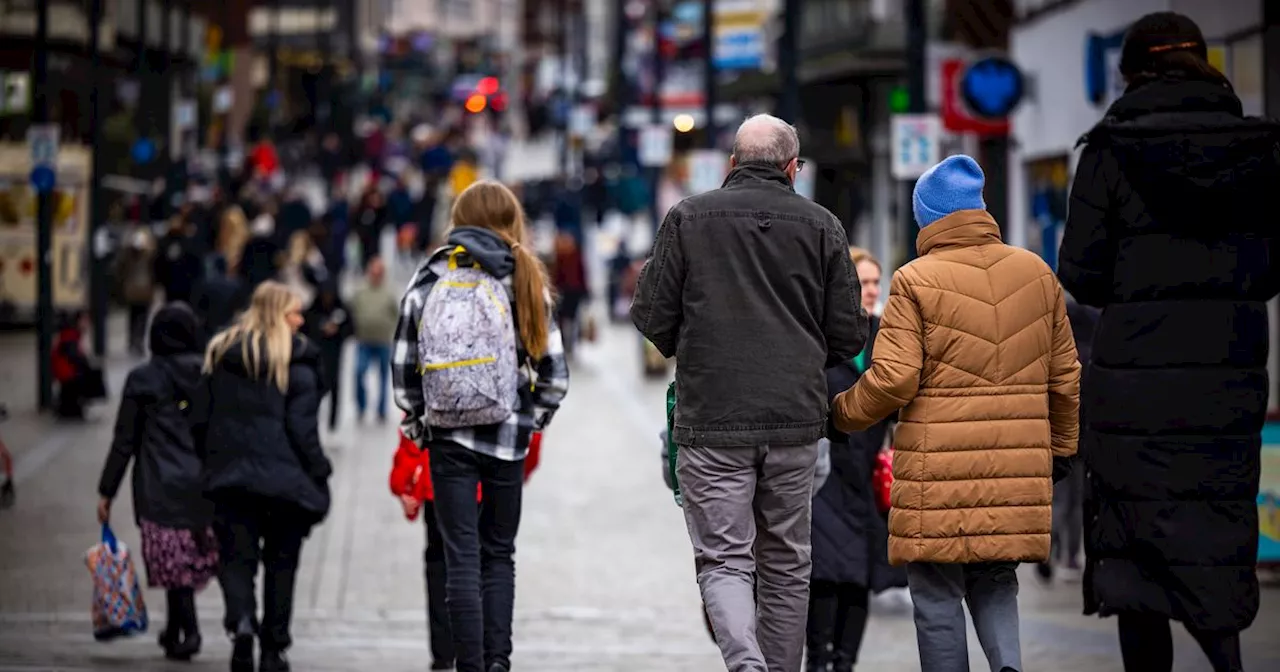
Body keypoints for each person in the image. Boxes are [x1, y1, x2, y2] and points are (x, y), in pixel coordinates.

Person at [1055, 12, 1280, 672]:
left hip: (1133, 385)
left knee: (1137, 554)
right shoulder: (1258, 150)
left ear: (1130, 71)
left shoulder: (1110, 148)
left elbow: (1080, 273)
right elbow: (1269, 269)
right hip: (1228, 382)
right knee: (1213, 531)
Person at [630, 114, 866, 671]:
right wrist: (799, 361)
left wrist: (696, 350)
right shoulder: (824, 226)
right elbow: (849, 333)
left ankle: (745, 664)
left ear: (732, 164)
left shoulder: (688, 218)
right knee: (787, 562)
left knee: (724, 560)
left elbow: (650, 314)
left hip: (712, 418)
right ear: (793, 168)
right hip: (794, 422)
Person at [831, 155, 1080, 672]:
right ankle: (1008, 665)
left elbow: (894, 378)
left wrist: (842, 413)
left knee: (938, 592)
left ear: (927, 217)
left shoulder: (915, 280)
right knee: (996, 579)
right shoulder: (1036, 272)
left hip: (937, 475)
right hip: (1016, 470)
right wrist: (1061, 448)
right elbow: (1065, 377)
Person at [393, 181, 570, 672]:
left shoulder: (428, 276)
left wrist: (422, 425)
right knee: (498, 555)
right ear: (513, 220)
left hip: (448, 440)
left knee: (461, 558)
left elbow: (404, 369)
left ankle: (466, 664)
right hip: (505, 440)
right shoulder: (525, 277)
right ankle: (497, 663)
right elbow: (554, 375)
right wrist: (529, 420)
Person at [195, 281, 333, 672]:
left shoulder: (221, 356)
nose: (301, 320)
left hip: (231, 480)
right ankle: (274, 649)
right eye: (294, 313)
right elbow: (302, 431)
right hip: (286, 485)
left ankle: (241, 622)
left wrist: (210, 462)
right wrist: (321, 471)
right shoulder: (297, 365)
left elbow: (199, 420)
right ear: (277, 315)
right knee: (281, 565)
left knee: (237, 560)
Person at [96, 303, 218, 661]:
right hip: (201, 484)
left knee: (171, 559)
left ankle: (189, 631)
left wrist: (107, 491)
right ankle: (178, 629)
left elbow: (124, 441)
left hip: (158, 484)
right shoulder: (207, 375)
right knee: (182, 560)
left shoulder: (142, 379)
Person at [808, 247, 905, 672]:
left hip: (868, 480)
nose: (870, 291)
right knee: (825, 575)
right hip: (826, 479)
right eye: (862, 283)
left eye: (874, 283)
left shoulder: (888, 336)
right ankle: (819, 659)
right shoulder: (820, 339)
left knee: (861, 578)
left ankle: (845, 663)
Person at [389, 426, 544, 671]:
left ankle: (445, 653)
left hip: (442, 473)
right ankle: (491, 654)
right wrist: (522, 468)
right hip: (498, 469)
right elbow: (535, 415)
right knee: (494, 560)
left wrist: (405, 482)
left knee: (445, 565)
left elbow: (414, 412)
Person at [350, 256, 399, 423]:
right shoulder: (360, 292)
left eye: (379, 273)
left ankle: (381, 410)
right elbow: (352, 310)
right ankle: (361, 406)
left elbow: (397, 314)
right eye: (373, 272)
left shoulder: (389, 292)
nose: (376, 275)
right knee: (359, 372)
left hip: (383, 341)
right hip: (364, 341)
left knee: (384, 377)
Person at [304, 282, 353, 431]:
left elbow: (351, 328)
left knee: (335, 388)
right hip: (316, 356)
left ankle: (333, 423)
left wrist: (337, 330)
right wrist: (320, 329)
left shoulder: (341, 308)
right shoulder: (313, 310)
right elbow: (306, 327)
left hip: (334, 356)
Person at [116, 227, 157, 356]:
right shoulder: (148, 255)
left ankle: (133, 340)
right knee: (141, 317)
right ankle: (137, 340)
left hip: (132, 290)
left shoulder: (129, 255)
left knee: (133, 316)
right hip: (144, 290)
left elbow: (120, 270)